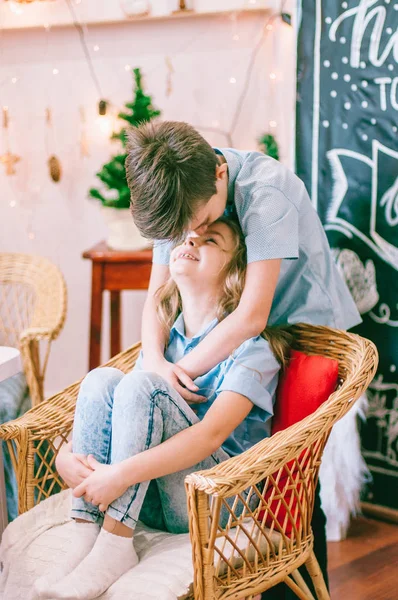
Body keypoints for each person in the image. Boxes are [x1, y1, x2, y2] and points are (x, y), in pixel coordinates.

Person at [125, 120, 362, 596]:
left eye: (198, 224)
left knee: (291, 477)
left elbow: (254, 317)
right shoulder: (176, 195)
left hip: (298, 331)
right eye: (180, 232)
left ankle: (299, 586)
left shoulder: (266, 190)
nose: (189, 235)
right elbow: (156, 297)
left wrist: (177, 373)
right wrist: (154, 361)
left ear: (218, 173)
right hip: (231, 330)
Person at [33, 218, 290, 600]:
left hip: (218, 501)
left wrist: (119, 475)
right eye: (186, 236)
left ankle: (116, 545)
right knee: (101, 380)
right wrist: (65, 458)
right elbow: (118, 418)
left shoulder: (254, 347)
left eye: (210, 239)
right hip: (151, 495)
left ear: (236, 268)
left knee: (142, 386)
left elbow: (210, 436)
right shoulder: (164, 343)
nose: (191, 240)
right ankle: (85, 533)